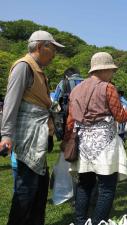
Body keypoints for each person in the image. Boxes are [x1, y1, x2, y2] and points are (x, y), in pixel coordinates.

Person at [63, 52, 127, 224]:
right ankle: (98, 222)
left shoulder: (76, 90)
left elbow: (70, 120)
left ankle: (80, 222)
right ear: (106, 69)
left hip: (83, 143)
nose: (112, 74)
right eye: (112, 70)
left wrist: (66, 139)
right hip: (104, 144)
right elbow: (121, 116)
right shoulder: (107, 87)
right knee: (107, 187)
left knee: (84, 185)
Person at [0, 30, 64, 225]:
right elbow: (11, 102)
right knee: (26, 190)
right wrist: (6, 135)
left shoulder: (37, 70)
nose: (54, 54)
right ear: (39, 46)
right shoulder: (23, 67)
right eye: (52, 49)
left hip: (37, 139)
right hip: (28, 139)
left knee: (39, 189)